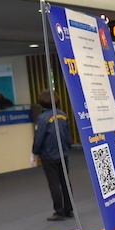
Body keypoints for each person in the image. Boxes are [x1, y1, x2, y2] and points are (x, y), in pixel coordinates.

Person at [32, 91, 73, 221]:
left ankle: (59, 212)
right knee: (65, 181)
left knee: (54, 184)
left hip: (49, 155)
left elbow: (39, 137)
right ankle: (68, 209)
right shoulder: (63, 115)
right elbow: (67, 135)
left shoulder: (43, 118)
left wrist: (34, 152)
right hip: (63, 154)